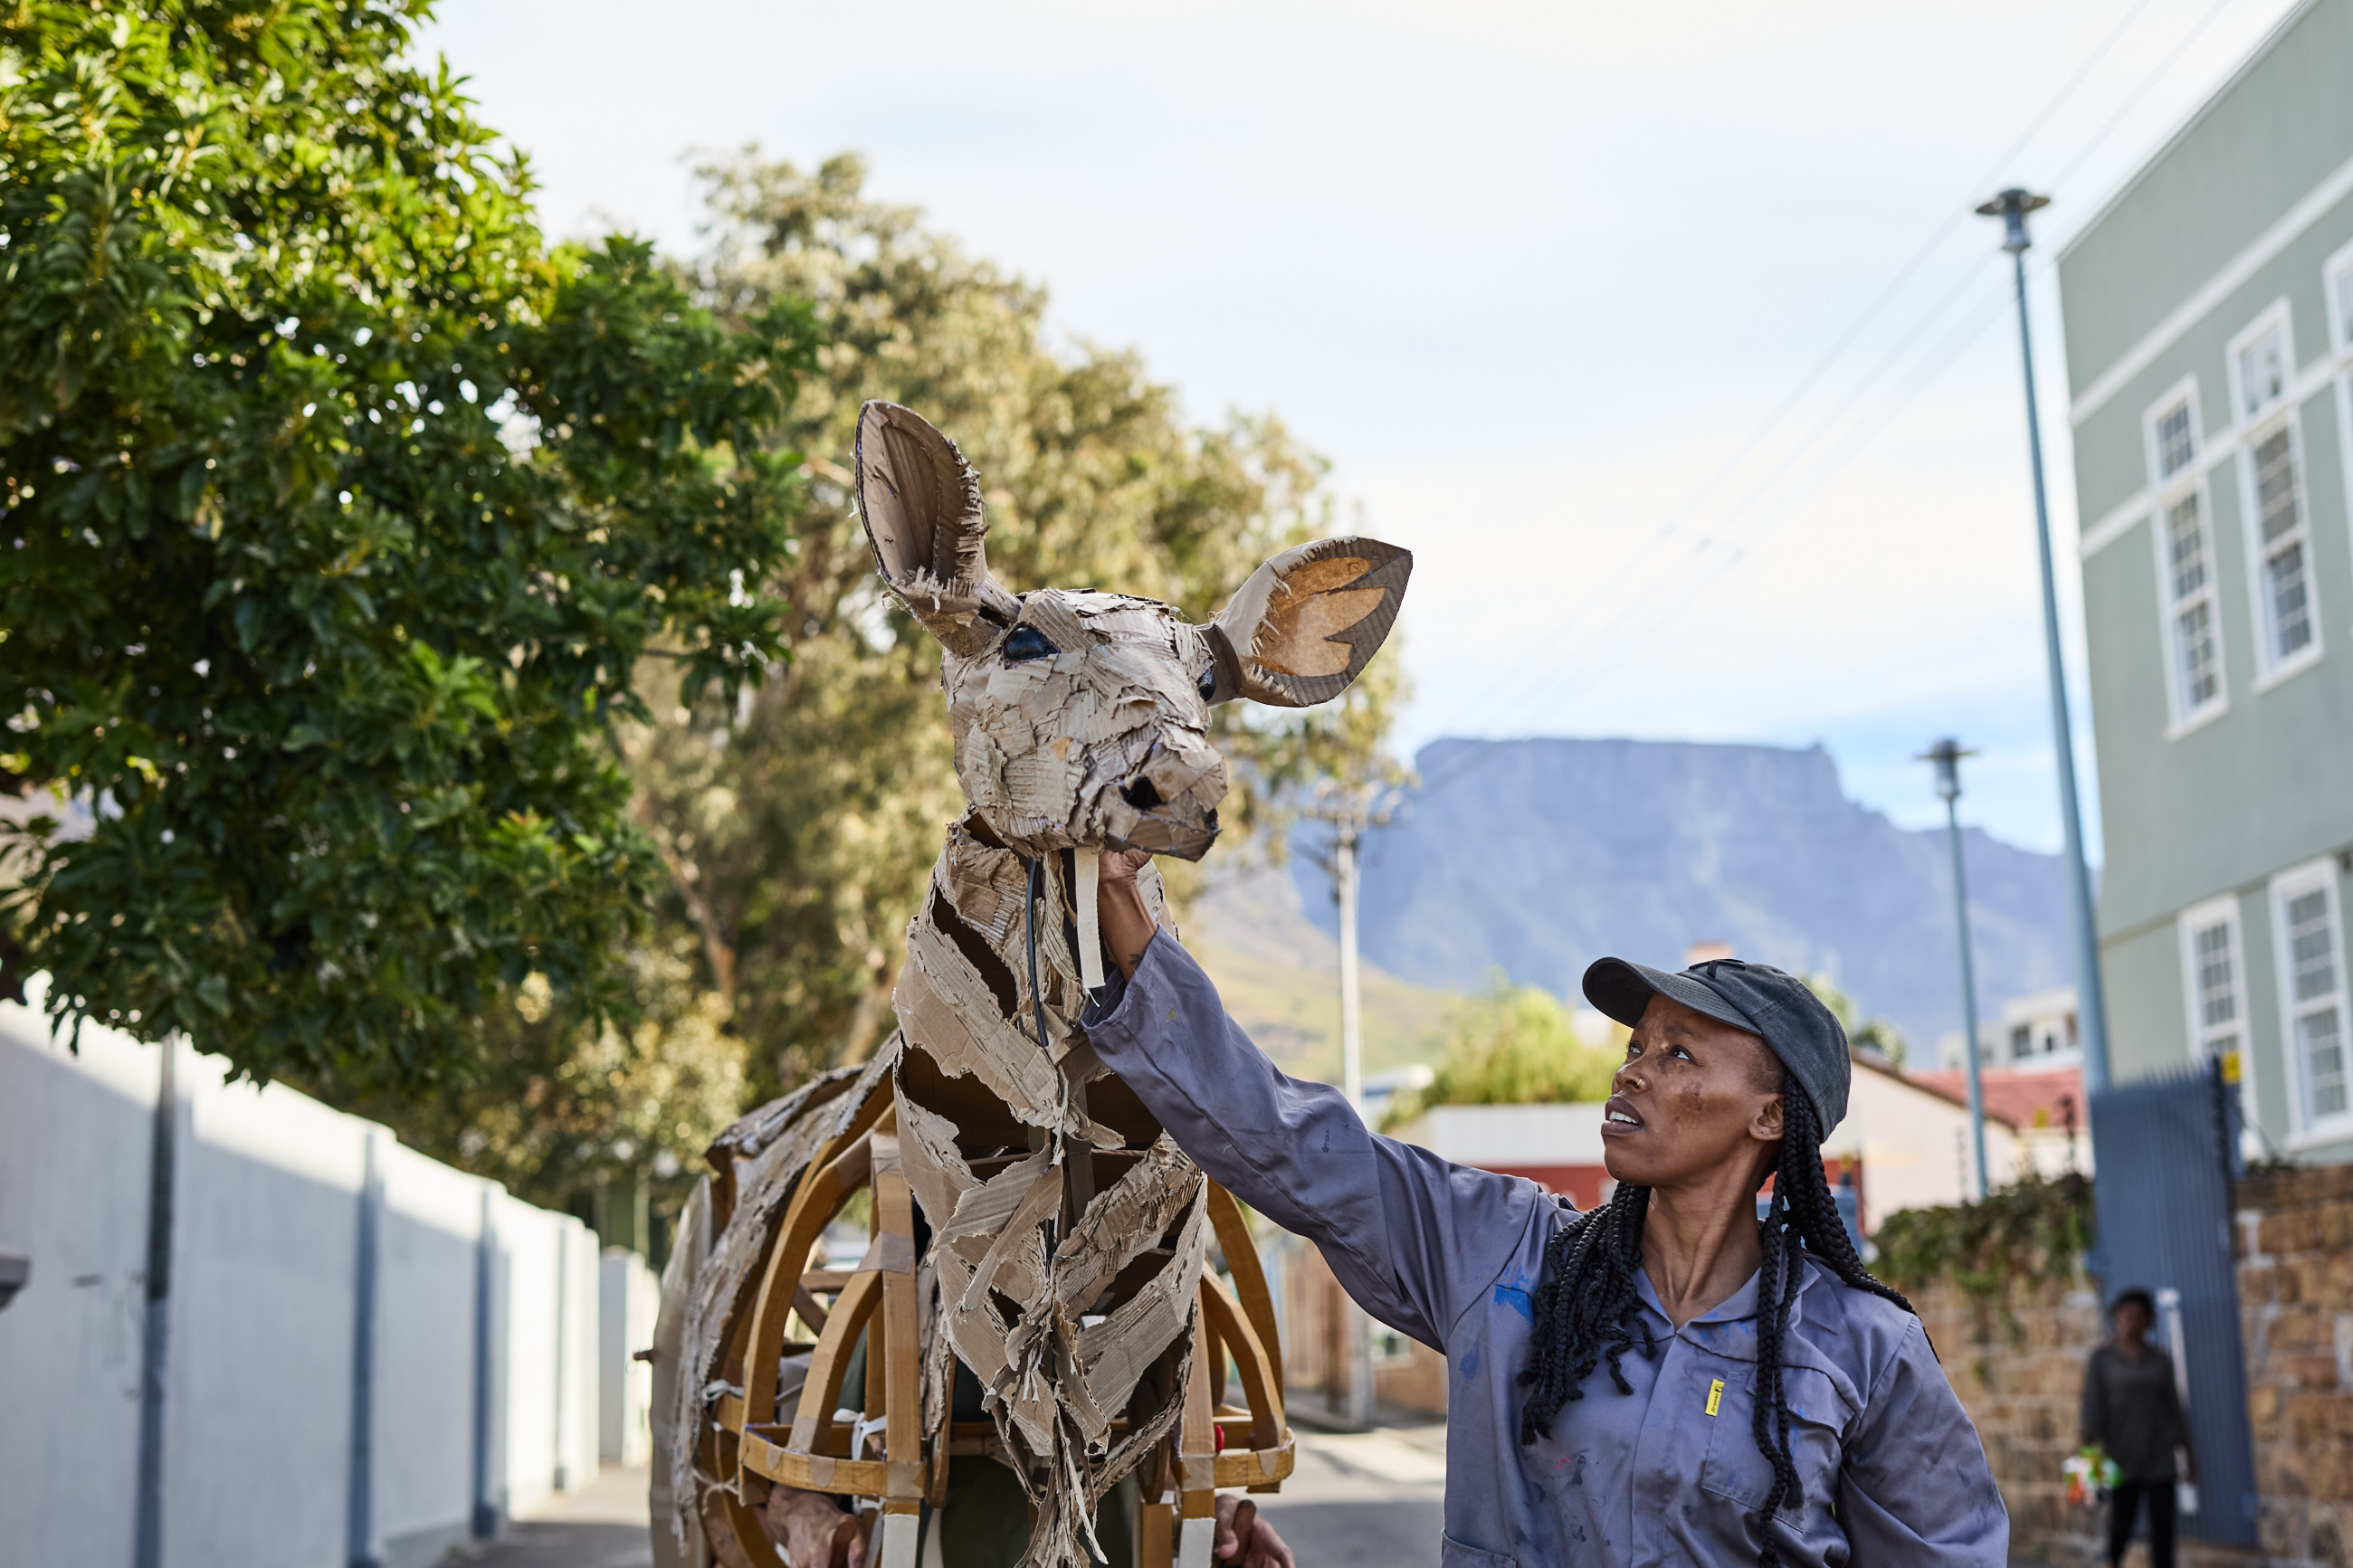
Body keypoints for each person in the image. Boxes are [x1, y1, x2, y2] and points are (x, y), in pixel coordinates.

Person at [1083, 849, 2009, 1566]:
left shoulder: (1862, 1350)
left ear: (1770, 1116)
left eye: (1679, 1054)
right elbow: (1289, 1141)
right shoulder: (1506, 1253)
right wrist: (1121, 900)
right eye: (1636, 1045)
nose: (1632, 1069)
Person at [2080, 1288, 2193, 1568]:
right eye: (2126, 1316)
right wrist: (2084, 1457)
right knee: (2121, 1523)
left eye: (2139, 1317)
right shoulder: (2102, 1360)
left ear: (2148, 1321)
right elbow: (2091, 1409)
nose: (2132, 1322)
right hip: (2121, 1456)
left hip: (2159, 1457)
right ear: (2116, 1319)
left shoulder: (2159, 1359)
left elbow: (2174, 1409)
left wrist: (2188, 1453)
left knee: (2163, 1529)